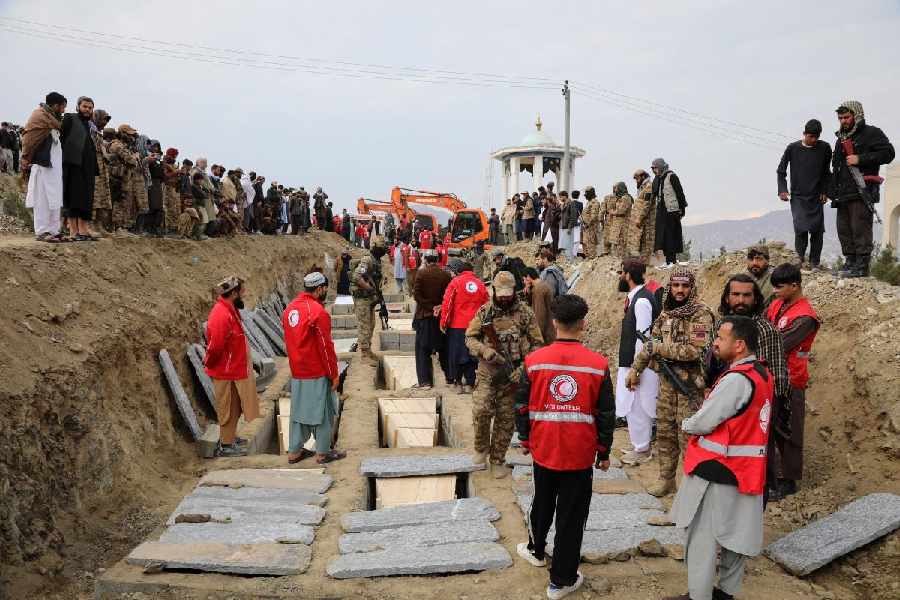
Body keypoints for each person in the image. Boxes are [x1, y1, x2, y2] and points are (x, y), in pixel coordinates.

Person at [513, 294, 614, 599]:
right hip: (579, 455)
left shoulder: (533, 361)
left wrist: (525, 438)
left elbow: (521, 404)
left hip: (544, 449)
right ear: (583, 323)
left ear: (554, 322)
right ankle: (561, 580)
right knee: (571, 516)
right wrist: (604, 450)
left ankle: (535, 549)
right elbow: (606, 412)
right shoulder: (598, 365)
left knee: (542, 502)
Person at [665, 316, 773, 600]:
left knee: (702, 540)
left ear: (738, 345)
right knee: (735, 538)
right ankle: (726, 594)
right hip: (746, 471)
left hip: (718, 470)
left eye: (721, 338)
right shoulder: (761, 373)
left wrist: (688, 424)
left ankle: (699, 596)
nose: (714, 342)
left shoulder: (736, 379)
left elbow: (705, 422)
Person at [626, 267, 715, 497]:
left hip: (689, 388)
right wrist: (636, 369)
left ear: (691, 287)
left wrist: (659, 348)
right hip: (666, 385)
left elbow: (695, 351)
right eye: (676, 285)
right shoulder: (666, 314)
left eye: (685, 286)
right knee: (665, 434)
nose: (680, 290)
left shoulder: (701, 314)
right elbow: (650, 344)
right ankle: (666, 480)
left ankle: (691, 489)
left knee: (688, 437)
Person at [705, 273, 791, 502]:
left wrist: (770, 413)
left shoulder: (765, 330)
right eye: (735, 294)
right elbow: (709, 364)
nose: (741, 300)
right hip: (721, 409)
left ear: (755, 298)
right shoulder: (719, 326)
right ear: (726, 297)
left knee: (755, 468)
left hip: (753, 414)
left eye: (746, 295)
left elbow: (777, 376)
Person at [465, 271, 543, 478]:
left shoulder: (525, 313)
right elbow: (470, 338)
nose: (505, 297)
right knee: (481, 411)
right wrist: (484, 350)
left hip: (513, 375)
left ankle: (498, 459)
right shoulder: (485, 312)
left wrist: (522, 370)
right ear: (494, 291)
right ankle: (481, 448)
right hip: (487, 373)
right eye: (501, 293)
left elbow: (538, 345)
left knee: (506, 419)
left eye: (508, 293)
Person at [766, 263, 820, 498]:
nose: (775, 291)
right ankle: (772, 478)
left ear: (795, 285)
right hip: (772, 376)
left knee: (789, 431)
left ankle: (788, 481)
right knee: (770, 428)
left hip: (792, 380)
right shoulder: (778, 304)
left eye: (780, 287)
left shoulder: (805, 316)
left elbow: (779, 343)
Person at [282, 271, 347, 465]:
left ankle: (294, 451)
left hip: (297, 371)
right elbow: (326, 348)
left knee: (298, 411)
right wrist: (334, 374)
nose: (325, 292)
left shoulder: (289, 310)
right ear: (319, 289)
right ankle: (323, 452)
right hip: (316, 370)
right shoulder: (318, 312)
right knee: (324, 411)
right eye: (325, 289)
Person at [829, 100, 895, 278]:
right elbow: (837, 166)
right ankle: (850, 262)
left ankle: (861, 267)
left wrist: (861, 159)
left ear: (856, 115)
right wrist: (832, 191)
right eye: (840, 118)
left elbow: (888, 153)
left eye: (846, 117)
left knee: (860, 228)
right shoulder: (840, 139)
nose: (843, 121)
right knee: (844, 228)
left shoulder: (872, 133)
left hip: (862, 189)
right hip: (843, 192)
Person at [203, 276, 260, 457]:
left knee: (235, 407)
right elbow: (215, 346)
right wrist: (213, 365)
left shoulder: (229, 310)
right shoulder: (221, 314)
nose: (243, 295)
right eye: (241, 292)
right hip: (225, 372)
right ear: (233, 293)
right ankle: (226, 446)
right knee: (226, 408)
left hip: (233, 370)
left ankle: (231, 438)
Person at [616, 258, 661, 465]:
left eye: (621, 272)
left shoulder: (642, 301)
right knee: (632, 405)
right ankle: (638, 445)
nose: (620, 277)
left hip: (639, 365)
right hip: (632, 364)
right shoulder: (635, 298)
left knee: (639, 406)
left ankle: (643, 449)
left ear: (628, 274)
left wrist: (636, 370)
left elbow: (643, 338)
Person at [777, 119, 833, 269]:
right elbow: (781, 171)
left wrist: (825, 190)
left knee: (817, 230)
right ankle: (799, 259)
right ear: (804, 134)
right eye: (810, 137)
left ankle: (815, 262)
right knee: (801, 228)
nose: (813, 140)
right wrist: (782, 190)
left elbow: (826, 173)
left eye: (816, 137)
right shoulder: (792, 148)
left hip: (816, 196)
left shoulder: (825, 148)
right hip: (798, 196)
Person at [21, 92, 67, 243]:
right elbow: (29, 139)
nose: (63, 110)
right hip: (43, 163)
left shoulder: (53, 118)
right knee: (42, 198)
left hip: (54, 165)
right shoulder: (39, 115)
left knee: (55, 196)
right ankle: (41, 231)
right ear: (55, 105)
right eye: (62, 107)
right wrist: (25, 158)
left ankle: (54, 230)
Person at [440, 258, 489, 392]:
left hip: (457, 326)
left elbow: (447, 304)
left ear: (457, 271)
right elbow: (487, 305)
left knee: (456, 354)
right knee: (472, 354)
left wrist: (443, 323)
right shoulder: (480, 284)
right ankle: (470, 383)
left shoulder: (455, 283)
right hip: (476, 325)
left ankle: (458, 383)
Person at [412, 250, 452, 389]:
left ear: (426, 260)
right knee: (443, 348)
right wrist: (439, 307)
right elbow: (449, 296)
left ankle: (425, 382)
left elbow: (416, 295)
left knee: (422, 349)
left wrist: (430, 307)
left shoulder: (421, 273)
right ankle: (450, 377)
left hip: (425, 316)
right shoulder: (446, 275)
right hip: (441, 317)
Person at [351, 236, 387, 365]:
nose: (383, 249)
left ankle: (368, 350)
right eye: (381, 246)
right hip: (362, 298)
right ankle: (364, 354)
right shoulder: (367, 259)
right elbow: (356, 276)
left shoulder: (377, 261)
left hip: (369, 299)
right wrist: (369, 288)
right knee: (364, 325)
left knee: (371, 324)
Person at [651, 158, 687, 265]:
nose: (654, 170)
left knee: (671, 235)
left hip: (671, 211)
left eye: (656, 168)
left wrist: (682, 209)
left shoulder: (671, 176)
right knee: (663, 237)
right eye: (653, 168)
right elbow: (654, 192)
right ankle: (668, 261)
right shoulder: (659, 178)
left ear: (661, 167)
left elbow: (680, 194)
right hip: (662, 211)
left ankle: (672, 260)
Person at [626, 169, 656, 261]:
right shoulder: (642, 188)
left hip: (647, 220)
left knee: (647, 242)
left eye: (637, 178)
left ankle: (645, 264)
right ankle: (641, 263)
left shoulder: (649, 187)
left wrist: (639, 218)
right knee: (641, 242)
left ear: (643, 177)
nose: (636, 181)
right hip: (641, 221)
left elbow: (647, 205)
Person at [523, 267, 555, 344]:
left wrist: (538, 335)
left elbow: (540, 314)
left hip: (547, 334)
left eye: (524, 279)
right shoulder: (541, 286)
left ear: (528, 277)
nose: (524, 282)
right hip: (550, 329)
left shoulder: (538, 289)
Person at [608, 182, 633, 258]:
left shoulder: (626, 198)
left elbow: (621, 211)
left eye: (616, 188)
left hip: (623, 226)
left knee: (621, 245)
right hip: (618, 226)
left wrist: (612, 212)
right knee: (617, 245)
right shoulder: (620, 198)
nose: (615, 190)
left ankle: (622, 262)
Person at [580, 186, 601, 259]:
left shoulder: (594, 202)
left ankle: (592, 259)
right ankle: (588, 258)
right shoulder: (589, 202)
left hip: (591, 228)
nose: (585, 195)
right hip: (586, 228)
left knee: (591, 244)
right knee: (586, 244)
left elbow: (594, 216)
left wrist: (587, 224)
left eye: (586, 193)